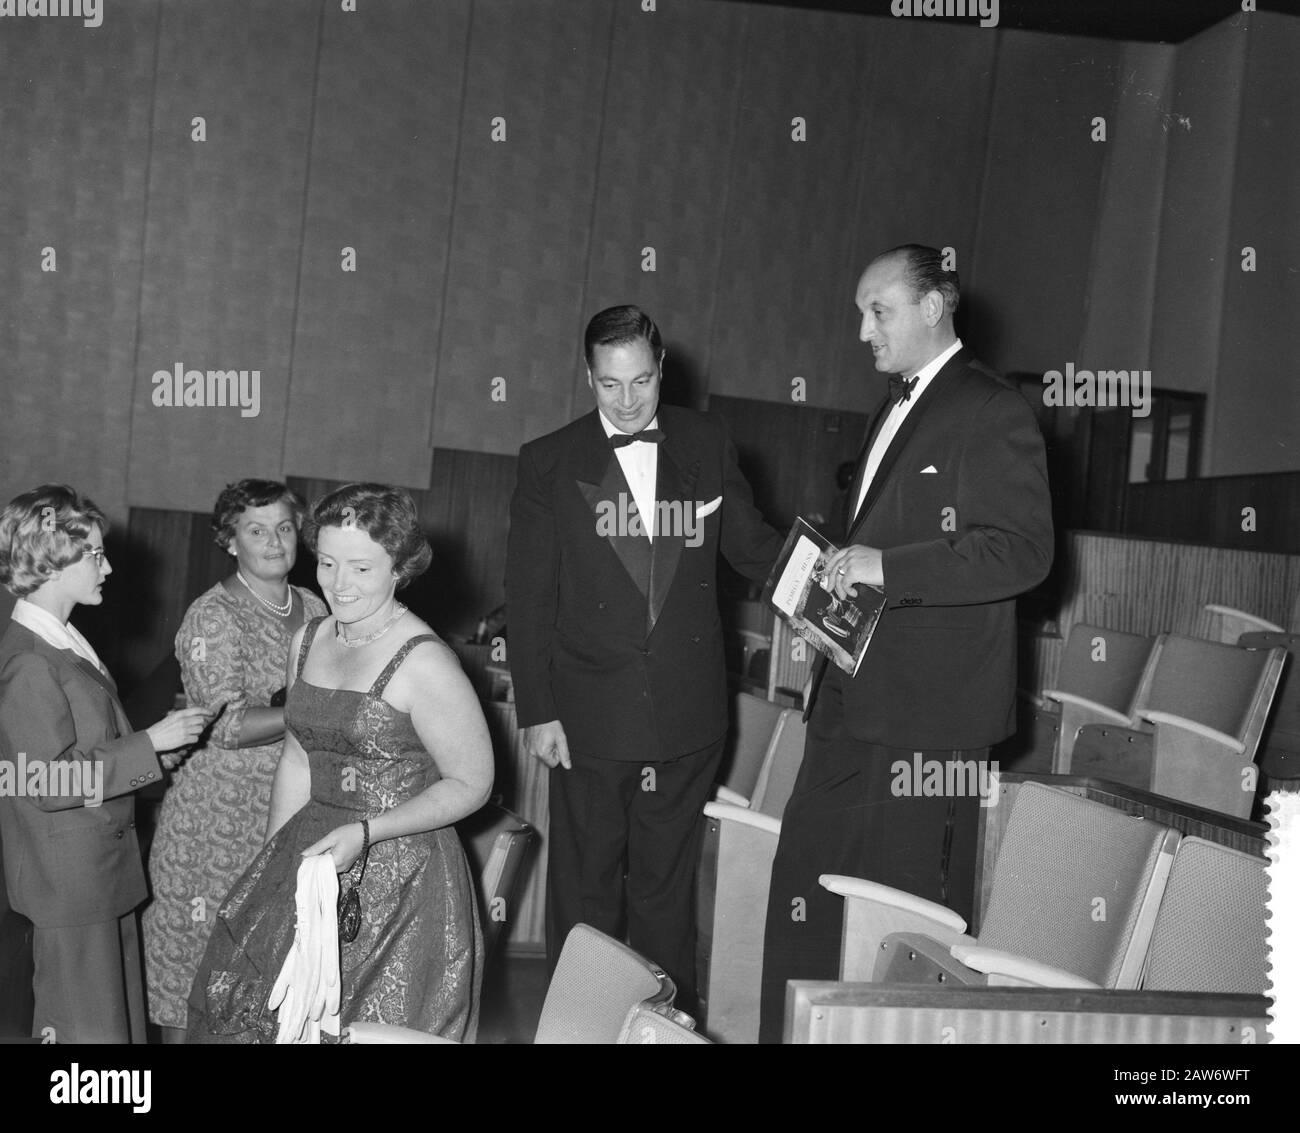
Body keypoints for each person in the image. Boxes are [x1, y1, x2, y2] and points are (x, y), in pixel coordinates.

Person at [758, 246, 1054, 1042]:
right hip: (847, 697)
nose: (862, 330)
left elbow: (1023, 551)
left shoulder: (995, 408)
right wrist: (814, 594)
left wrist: (888, 566)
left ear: (934, 306)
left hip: (930, 717)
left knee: (902, 927)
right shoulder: (888, 407)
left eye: (877, 310)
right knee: (806, 895)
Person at [506, 305, 783, 1013]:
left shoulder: (707, 441)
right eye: (609, 385)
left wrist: (835, 573)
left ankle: (658, 1030)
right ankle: (578, 1025)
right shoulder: (548, 460)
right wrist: (538, 711)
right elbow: (530, 597)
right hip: (588, 720)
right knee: (588, 888)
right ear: (589, 377)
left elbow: (754, 549)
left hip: (688, 719)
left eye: (641, 382)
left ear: (663, 369)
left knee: (666, 893)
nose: (627, 402)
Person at [185, 483, 492, 1042]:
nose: (339, 584)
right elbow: (299, 759)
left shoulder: (425, 661)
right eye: (327, 563)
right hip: (313, 847)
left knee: (357, 1026)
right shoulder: (307, 639)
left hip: (402, 870)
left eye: (361, 568)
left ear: (399, 568)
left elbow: (473, 783)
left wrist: (369, 830)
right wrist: (272, 863)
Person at [0, 485, 212, 1043]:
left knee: (114, 1039)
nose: (109, 566)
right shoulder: (29, 660)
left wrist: (158, 749)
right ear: (52, 558)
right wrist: (148, 743)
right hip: (69, 888)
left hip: (98, 880)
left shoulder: (63, 643)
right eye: (95, 554)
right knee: (87, 1043)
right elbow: (42, 780)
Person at [143, 480, 328, 1041]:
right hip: (212, 827)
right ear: (229, 540)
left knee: (261, 977)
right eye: (256, 530)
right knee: (189, 979)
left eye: (285, 528)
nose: (274, 542)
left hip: (286, 815)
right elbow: (225, 724)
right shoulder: (214, 617)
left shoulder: (316, 606)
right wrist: (315, 707)